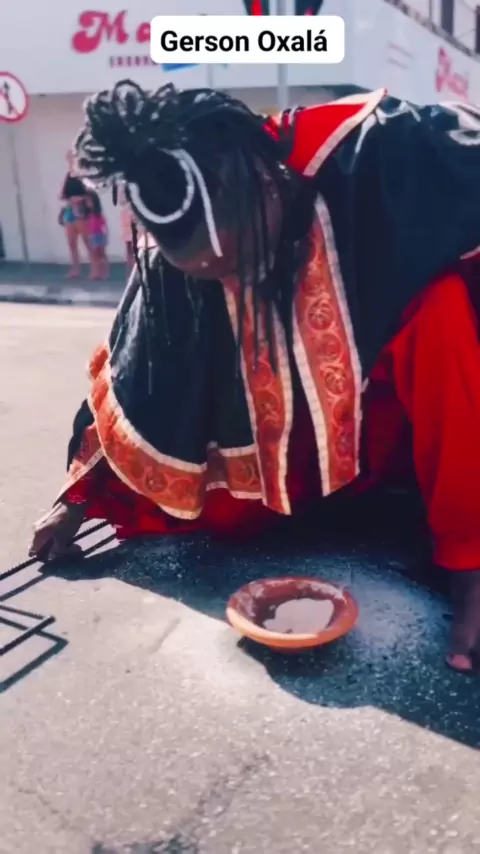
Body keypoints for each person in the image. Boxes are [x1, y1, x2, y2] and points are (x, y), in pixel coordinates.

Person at [30, 81, 480, 673]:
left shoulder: (381, 152)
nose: (235, 287)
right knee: (192, 509)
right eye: (209, 277)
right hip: (299, 465)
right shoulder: (173, 251)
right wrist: (77, 498)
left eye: (241, 262)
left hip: (392, 426)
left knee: (443, 308)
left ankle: (470, 561)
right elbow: (140, 377)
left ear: (268, 184)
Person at [59, 152, 92, 278]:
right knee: (71, 243)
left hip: (80, 211)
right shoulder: (68, 176)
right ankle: (75, 269)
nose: (70, 161)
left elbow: (90, 196)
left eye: (72, 158)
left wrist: (79, 198)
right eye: (69, 159)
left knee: (87, 241)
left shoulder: (83, 176)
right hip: (70, 210)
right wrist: (66, 197)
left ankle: (94, 268)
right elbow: (62, 195)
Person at [86, 189, 109, 280]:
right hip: (93, 235)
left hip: (99, 234)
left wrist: (105, 234)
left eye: (89, 201)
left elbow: (104, 224)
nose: (88, 203)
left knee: (101, 254)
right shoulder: (89, 214)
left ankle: (103, 272)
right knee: (94, 254)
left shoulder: (98, 214)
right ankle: (95, 272)